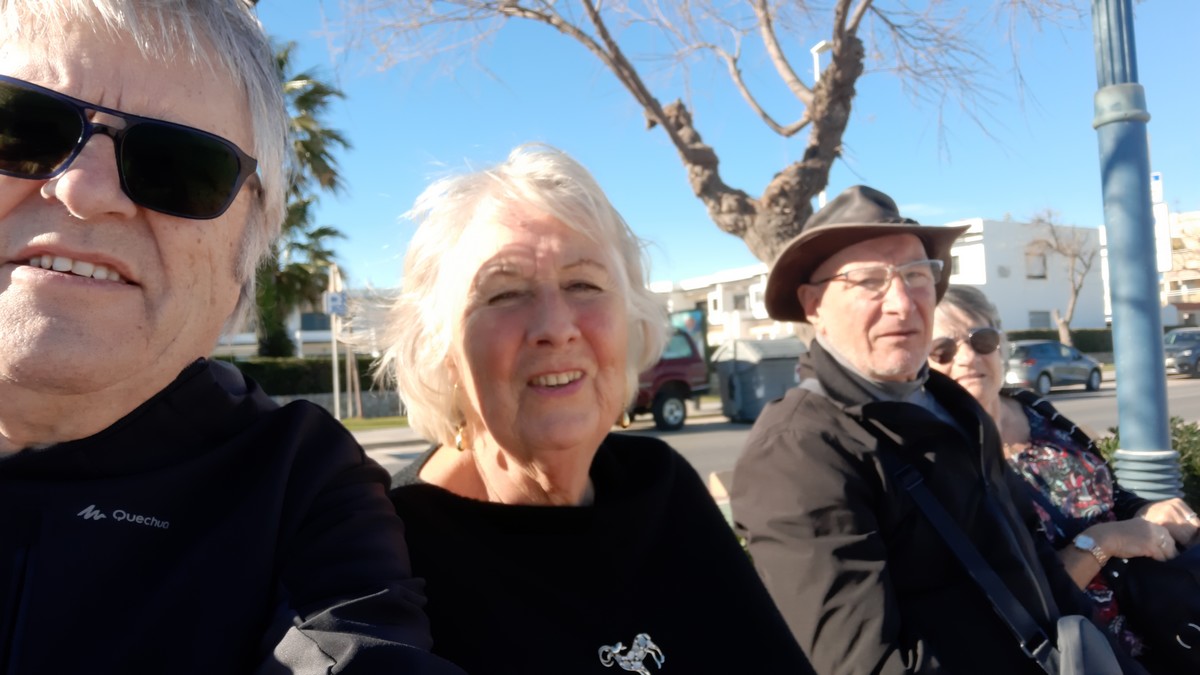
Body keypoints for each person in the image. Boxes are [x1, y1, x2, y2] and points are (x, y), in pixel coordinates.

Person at [0, 2, 461, 673]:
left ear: (244, 259)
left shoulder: (298, 486)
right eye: (23, 127)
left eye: (178, 165)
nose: (85, 189)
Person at [377, 144, 814, 674]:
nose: (556, 327)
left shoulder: (660, 487)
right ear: (440, 348)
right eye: (504, 293)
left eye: (583, 284)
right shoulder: (389, 558)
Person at [731, 185, 1146, 674]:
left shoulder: (955, 407)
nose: (902, 302)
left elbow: (1034, 559)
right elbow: (864, 664)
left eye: (916, 275)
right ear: (813, 304)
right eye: (869, 281)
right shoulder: (798, 452)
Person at [929, 284, 1200, 666]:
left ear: (1001, 344)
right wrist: (1106, 541)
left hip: (1158, 622)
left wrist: (1145, 511)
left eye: (982, 339)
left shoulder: (1033, 408)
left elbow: (1106, 494)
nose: (968, 358)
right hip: (1083, 655)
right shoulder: (939, 457)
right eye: (943, 349)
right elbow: (1012, 600)